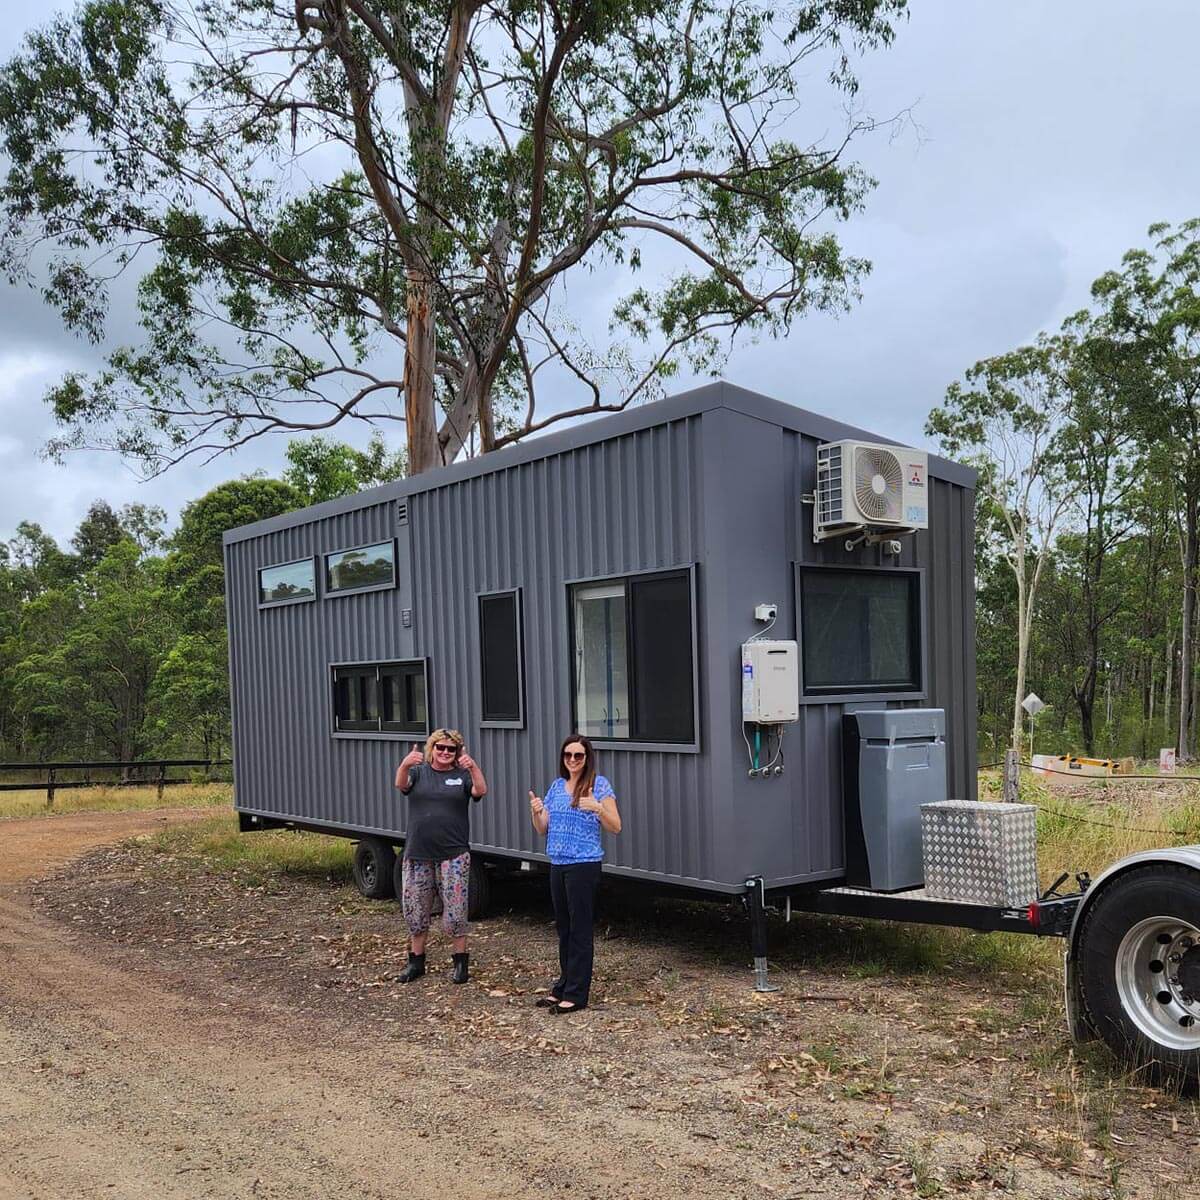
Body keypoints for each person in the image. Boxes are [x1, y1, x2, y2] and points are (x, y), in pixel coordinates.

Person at [528, 734, 621, 1014]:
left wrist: (597, 807)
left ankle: (577, 994)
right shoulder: (557, 786)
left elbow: (616, 826)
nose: (572, 760)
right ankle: (563, 986)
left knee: (580, 929)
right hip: (558, 863)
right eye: (568, 755)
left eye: (578, 755)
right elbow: (543, 828)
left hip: (584, 865)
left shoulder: (599, 786)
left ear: (587, 758)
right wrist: (537, 812)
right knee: (564, 928)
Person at [394, 728, 487, 984]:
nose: (445, 752)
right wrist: (404, 765)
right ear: (431, 749)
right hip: (418, 853)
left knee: (456, 910)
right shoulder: (418, 771)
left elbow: (481, 790)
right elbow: (401, 785)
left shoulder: (462, 776)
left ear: (458, 752)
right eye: (440, 747)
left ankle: (460, 962)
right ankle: (416, 961)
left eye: (451, 749)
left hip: (453, 855)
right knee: (416, 910)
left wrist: (474, 768)